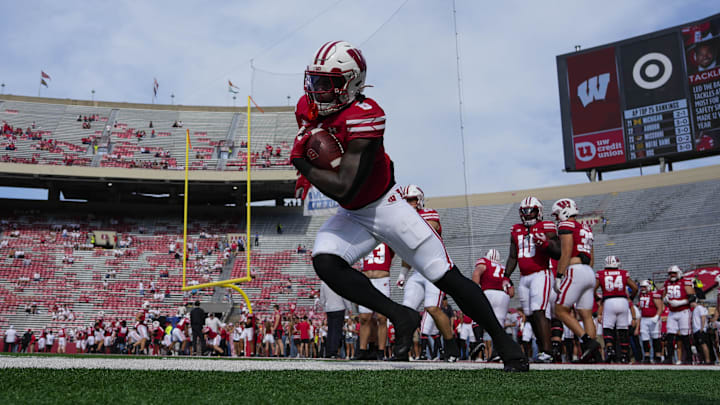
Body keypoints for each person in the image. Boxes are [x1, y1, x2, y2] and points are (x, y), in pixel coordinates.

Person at [290, 40, 526, 370]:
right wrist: (307, 175)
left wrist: (301, 163)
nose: (318, 91)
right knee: (325, 263)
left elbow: (344, 186)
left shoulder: (367, 115)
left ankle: (506, 343)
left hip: (385, 205)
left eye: (327, 83)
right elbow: (323, 154)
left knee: (446, 276)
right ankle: (401, 315)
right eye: (314, 81)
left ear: (351, 83)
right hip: (353, 213)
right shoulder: (307, 106)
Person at [396, 185, 460, 362]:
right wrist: (402, 274)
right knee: (407, 311)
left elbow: (425, 235)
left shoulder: (429, 214)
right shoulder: (405, 221)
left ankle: (451, 347)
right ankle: (402, 350)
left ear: (419, 200)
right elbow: (408, 251)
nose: (409, 203)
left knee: (432, 308)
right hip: (417, 271)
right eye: (406, 200)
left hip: (434, 269)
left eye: (412, 200)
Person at [505, 197, 560, 363]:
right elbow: (513, 256)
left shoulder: (546, 226)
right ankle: (543, 349)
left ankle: (548, 351)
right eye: (524, 211)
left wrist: (545, 243)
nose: (527, 215)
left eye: (531, 211)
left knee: (539, 310)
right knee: (529, 314)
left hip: (541, 274)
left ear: (539, 211)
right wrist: (506, 276)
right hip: (524, 277)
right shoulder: (515, 229)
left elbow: (558, 252)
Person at [552, 198, 600, 362]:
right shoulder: (586, 228)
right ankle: (594, 355)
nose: (557, 218)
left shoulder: (567, 225)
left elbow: (566, 252)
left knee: (559, 310)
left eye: (557, 214)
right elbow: (592, 257)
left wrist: (559, 275)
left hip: (575, 271)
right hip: (588, 271)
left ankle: (587, 341)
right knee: (586, 314)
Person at [595, 255, 638, 363]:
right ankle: (624, 355)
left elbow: (593, 289)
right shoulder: (623, 273)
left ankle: (610, 350)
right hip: (622, 301)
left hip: (609, 301)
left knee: (608, 328)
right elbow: (635, 287)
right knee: (623, 329)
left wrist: (598, 298)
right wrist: (631, 298)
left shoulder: (601, 274)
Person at [355, 242, 394, 360]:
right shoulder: (365, 239)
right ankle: (363, 350)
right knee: (364, 318)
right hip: (366, 278)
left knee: (382, 318)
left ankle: (381, 351)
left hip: (382, 279)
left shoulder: (387, 237)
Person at [473, 249, 513, 362]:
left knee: (477, 317)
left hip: (488, 292)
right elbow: (512, 292)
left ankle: (479, 341)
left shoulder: (485, 262)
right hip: (503, 296)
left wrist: (475, 290)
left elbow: (477, 272)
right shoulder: (504, 268)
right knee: (498, 326)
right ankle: (497, 353)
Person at [662, 265, 695, 364]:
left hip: (683, 311)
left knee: (685, 335)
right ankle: (669, 358)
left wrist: (680, 302)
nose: (672, 275)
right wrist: (665, 300)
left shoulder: (685, 282)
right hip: (672, 312)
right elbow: (664, 295)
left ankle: (689, 358)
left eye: (674, 273)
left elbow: (692, 297)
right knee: (670, 335)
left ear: (679, 273)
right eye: (670, 273)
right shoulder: (667, 283)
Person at [319, 281, 351, 358]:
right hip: (339, 308)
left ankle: (328, 351)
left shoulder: (324, 283)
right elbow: (344, 296)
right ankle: (333, 351)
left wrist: (324, 307)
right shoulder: (339, 281)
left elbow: (322, 298)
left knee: (330, 330)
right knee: (336, 331)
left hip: (329, 309)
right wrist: (349, 307)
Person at [637, 279, 664, 363]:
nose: (642, 288)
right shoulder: (640, 295)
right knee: (645, 338)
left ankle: (658, 356)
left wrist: (657, 316)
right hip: (644, 318)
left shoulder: (654, 295)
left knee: (656, 337)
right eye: (641, 287)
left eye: (644, 287)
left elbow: (660, 307)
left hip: (653, 318)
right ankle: (647, 356)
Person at [691, 300, 710, 364]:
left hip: (700, 329)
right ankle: (702, 360)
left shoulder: (699, 308)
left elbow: (703, 317)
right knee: (699, 346)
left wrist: (702, 328)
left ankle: (707, 360)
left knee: (703, 344)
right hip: (696, 330)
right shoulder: (695, 309)